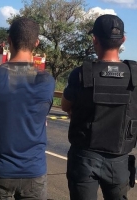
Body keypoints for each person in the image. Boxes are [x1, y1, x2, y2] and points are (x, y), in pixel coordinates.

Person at [0, 17, 55, 199]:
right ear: (36, 43)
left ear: (9, 40)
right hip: (34, 174)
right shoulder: (47, 81)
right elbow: (42, 117)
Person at [61, 14, 137, 200]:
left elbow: (64, 106)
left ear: (94, 39)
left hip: (84, 158)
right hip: (119, 160)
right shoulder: (134, 75)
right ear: (123, 40)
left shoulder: (81, 74)